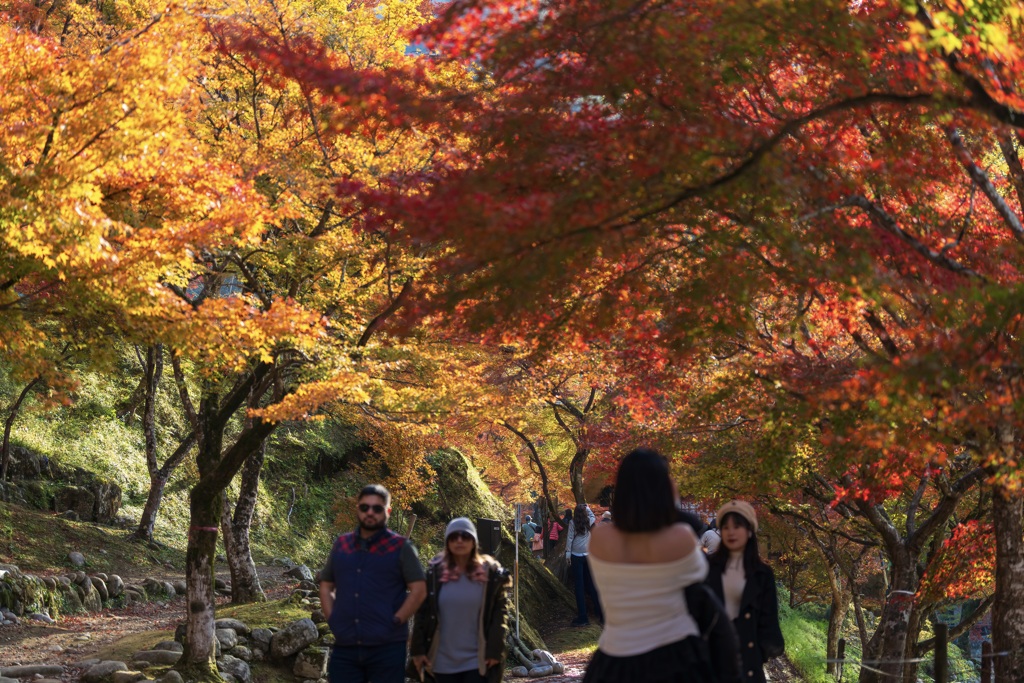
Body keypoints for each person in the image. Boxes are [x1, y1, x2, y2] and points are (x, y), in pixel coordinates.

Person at [583, 448, 710, 683]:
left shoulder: (601, 538)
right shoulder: (680, 538)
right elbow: (703, 579)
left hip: (616, 658)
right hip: (677, 655)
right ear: (663, 487)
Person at [318, 484, 427, 683]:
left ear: (388, 511)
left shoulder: (402, 548)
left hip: (387, 647)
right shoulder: (341, 544)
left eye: (377, 508)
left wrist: (397, 619)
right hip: (346, 645)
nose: (370, 512)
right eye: (364, 507)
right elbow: (326, 586)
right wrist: (333, 619)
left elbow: (419, 589)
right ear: (357, 508)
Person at [410, 518, 512, 683]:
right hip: (441, 662)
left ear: (473, 542)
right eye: (453, 537)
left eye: (465, 536)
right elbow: (422, 614)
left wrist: (495, 650)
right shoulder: (435, 575)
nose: (459, 540)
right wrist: (418, 650)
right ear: (447, 542)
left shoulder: (490, 575)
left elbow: (499, 616)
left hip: (477, 662)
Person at [705, 500, 784, 683]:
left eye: (737, 526)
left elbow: (769, 622)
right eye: (726, 527)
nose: (731, 532)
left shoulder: (762, 574)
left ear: (749, 531)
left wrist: (759, 653)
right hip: (712, 658)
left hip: (749, 661)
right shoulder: (708, 568)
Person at [565, 502, 601, 626]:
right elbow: (593, 516)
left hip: (576, 554)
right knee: (592, 584)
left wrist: (568, 554)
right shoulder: (589, 521)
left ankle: (583, 616)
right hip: (588, 554)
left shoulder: (572, 523)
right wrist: (588, 507)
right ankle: (600, 613)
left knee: (579, 586)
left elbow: (569, 538)